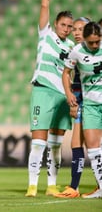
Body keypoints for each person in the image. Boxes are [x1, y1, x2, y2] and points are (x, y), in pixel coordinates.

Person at [25, 0, 75, 197]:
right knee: (38, 142)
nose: (66, 28)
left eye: (69, 26)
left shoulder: (73, 46)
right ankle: (32, 186)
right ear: (55, 24)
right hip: (43, 91)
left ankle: (52, 186)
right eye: (63, 24)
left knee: (56, 145)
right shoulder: (45, 35)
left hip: (62, 96)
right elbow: (44, 4)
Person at [62, 21, 102, 198]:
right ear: (85, 39)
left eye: (98, 42)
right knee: (93, 149)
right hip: (91, 105)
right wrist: (69, 93)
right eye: (91, 42)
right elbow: (65, 73)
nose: (95, 45)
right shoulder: (76, 52)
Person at [54, 17, 89, 198]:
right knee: (77, 142)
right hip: (81, 99)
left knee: (92, 144)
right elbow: (67, 75)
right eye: (74, 29)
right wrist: (71, 97)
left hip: (93, 101)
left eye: (80, 29)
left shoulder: (93, 51)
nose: (76, 32)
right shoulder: (75, 51)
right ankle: (74, 187)